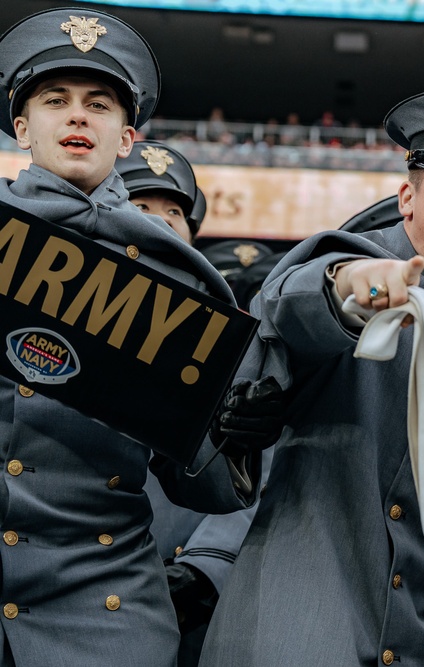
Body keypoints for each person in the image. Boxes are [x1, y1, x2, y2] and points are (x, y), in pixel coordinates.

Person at [199, 88, 424, 666]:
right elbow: (288, 304)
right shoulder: (354, 270)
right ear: (407, 198)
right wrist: (348, 286)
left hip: (420, 642)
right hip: (302, 638)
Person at [0, 8, 261, 665]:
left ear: (127, 137)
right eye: (55, 101)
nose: (78, 116)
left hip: (101, 603)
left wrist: (230, 436)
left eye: (99, 104)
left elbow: (198, 484)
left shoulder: (179, 274)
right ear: (22, 128)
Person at [117, 141, 273, 666]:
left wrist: (206, 568)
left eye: (175, 213)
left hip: (195, 592)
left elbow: (257, 469)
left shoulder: (226, 349)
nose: (161, 225)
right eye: (140, 208)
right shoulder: (62, 317)